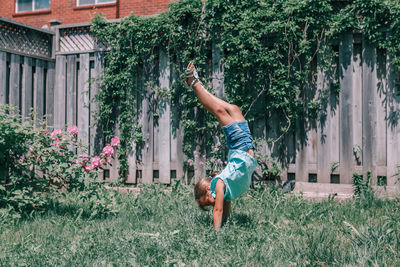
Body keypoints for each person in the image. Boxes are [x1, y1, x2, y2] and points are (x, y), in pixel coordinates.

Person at [185, 62, 258, 231]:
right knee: (233, 108)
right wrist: (224, 224)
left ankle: (195, 84)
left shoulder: (218, 184)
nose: (213, 200)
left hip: (239, 146)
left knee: (219, 112)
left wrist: (216, 234)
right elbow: (224, 210)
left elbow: (218, 210)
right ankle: (198, 85)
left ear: (207, 189)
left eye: (208, 199)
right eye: (210, 203)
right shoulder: (226, 191)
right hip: (245, 144)